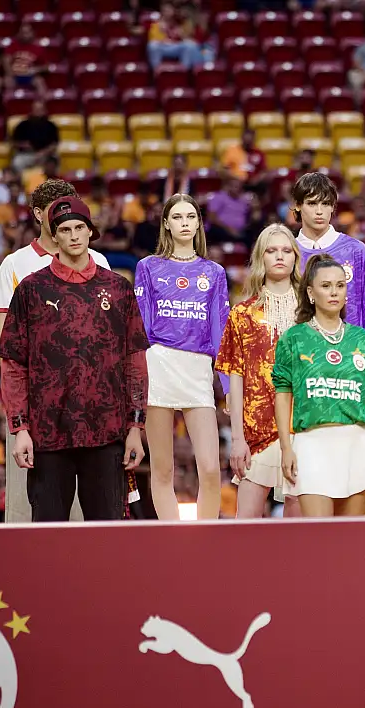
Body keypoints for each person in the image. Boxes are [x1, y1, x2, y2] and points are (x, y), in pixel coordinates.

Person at [0, 197, 149, 522]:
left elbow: (134, 362)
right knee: (47, 538)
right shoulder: (31, 290)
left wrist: (136, 426)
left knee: (106, 537)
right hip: (47, 435)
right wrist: (19, 428)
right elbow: (13, 365)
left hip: (107, 433)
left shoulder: (119, 289)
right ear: (54, 236)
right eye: (65, 230)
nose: (74, 235)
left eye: (80, 227)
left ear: (91, 231)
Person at [0, 179, 112, 523]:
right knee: (27, 503)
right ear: (38, 214)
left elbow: (109, 332)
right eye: (56, 209)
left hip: (90, 400)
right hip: (35, 401)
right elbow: (4, 341)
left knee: (89, 507)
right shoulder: (16, 264)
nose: (66, 215)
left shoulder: (98, 260)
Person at [133, 194, 229, 521]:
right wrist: (137, 380)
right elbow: (141, 327)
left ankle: (206, 537)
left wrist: (227, 386)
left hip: (197, 369)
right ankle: (171, 537)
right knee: (162, 469)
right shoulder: (148, 267)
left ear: (199, 223)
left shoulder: (214, 272)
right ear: (166, 224)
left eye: (191, 217)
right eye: (177, 217)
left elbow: (220, 332)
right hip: (159, 365)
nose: (185, 223)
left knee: (211, 469)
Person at [274, 255, 365, 517]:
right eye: (326, 286)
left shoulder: (361, 339)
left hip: (359, 443)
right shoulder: (294, 338)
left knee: (352, 537)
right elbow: (283, 395)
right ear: (310, 293)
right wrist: (286, 447)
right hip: (312, 443)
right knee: (319, 535)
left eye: (340, 285)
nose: (334, 292)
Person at [219, 224, 303, 519]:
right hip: (255, 432)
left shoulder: (311, 312)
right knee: (246, 526)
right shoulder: (242, 314)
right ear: (260, 258)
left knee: (299, 530)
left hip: (303, 428)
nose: (279, 256)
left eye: (286, 250)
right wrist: (237, 439)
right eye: (271, 250)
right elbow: (236, 378)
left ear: (295, 258)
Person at [292, 172, 365, 355]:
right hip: (301, 359)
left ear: (334, 207)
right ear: (298, 205)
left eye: (326, 203)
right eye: (312, 203)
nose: (319, 211)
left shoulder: (357, 251)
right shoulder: (287, 252)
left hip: (350, 358)